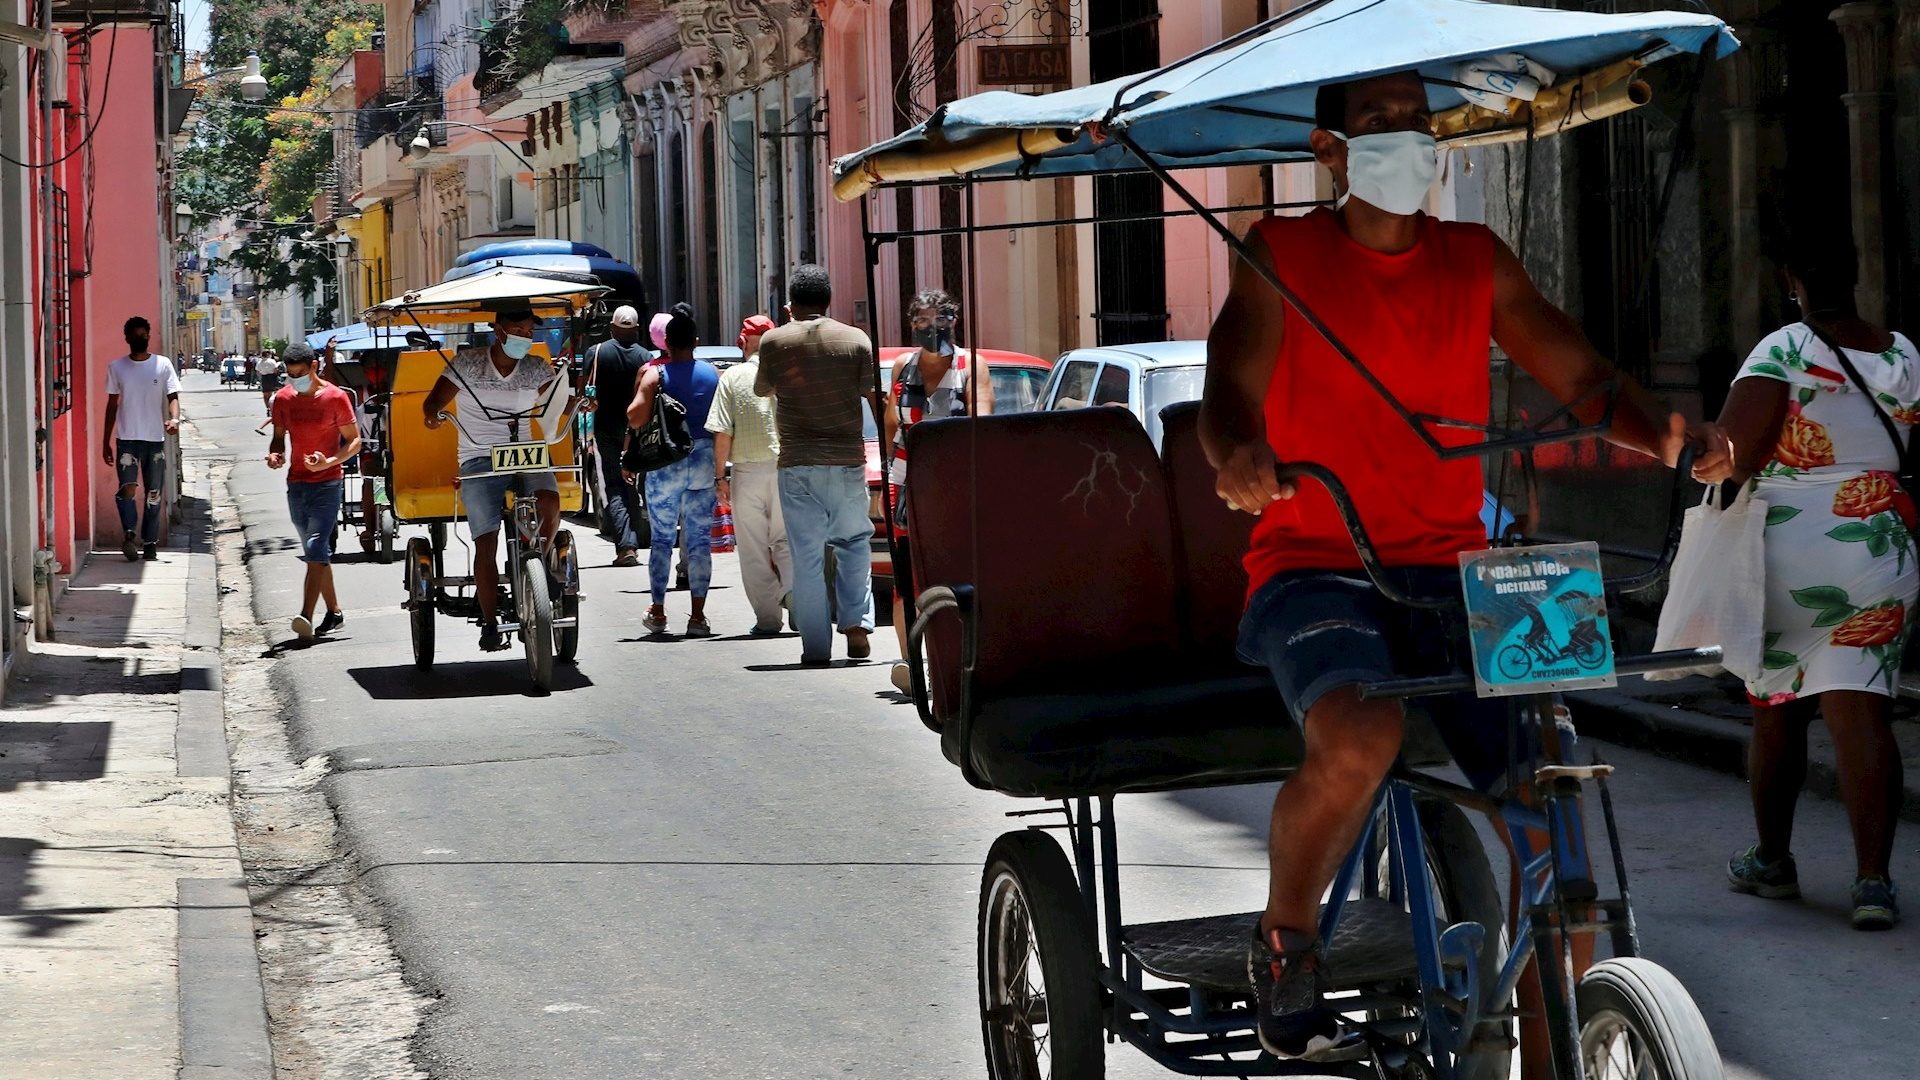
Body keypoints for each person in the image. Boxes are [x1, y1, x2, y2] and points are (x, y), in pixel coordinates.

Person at [1200, 71, 1730, 1066]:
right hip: (1317, 563)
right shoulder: (1282, 253)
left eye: (1415, 120)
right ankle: (1287, 940)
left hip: (1467, 568)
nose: (1405, 137)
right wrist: (1237, 456)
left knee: (1559, 792)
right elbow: (1228, 385)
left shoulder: (1475, 260)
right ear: (1329, 152)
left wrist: (1667, 438)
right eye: (1376, 123)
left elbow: (1578, 379)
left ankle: (1552, 1052)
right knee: (1361, 734)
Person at [1697, 236, 1913, 931]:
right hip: (1882, 539)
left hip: (1794, 545)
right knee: (1863, 708)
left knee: (1777, 706)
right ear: (1857, 276)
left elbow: (1734, 452)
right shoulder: (1903, 353)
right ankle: (1873, 883)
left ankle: (1772, 861)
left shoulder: (1784, 348)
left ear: (1791, 281)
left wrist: (1704, 455)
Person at [422, 307, 569, 652]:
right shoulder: (467, 362)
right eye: (518, 328)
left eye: (530, 329)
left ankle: (539, 561)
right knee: (485, 542)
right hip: (477, 454)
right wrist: (433, 418)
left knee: (551, 503)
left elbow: (557, 401)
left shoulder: (535, 366)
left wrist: (581, 403)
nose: (525, 335)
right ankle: (489, 622)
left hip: (524, 452)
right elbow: (432, 404)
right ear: (498, 329)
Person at [754, 264, 880, 667]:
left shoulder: (774, 342)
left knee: (806, 556)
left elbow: (762, 389)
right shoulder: (856, 340)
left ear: (790, 304)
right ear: (828, 301)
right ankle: (856, 627)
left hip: (797, 462)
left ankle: (815, 647)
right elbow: (873, 395)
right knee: (854, 543)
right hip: (846, 459)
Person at [881, 288, 993, 692]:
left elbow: (982, 421)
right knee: (906, 579)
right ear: (912, 325)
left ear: (953, 322)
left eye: (940, 320)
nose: (932, 328)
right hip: (904, 486)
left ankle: (958, 661)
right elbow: (891, 425)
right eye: (924, 321)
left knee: (954, 573)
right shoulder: (902, 367)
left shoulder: (970, 365)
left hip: (952, 489)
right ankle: (913, 666)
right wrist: (886, 480)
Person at [628, 304, 721, 637]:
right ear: (695, 341)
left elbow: (635, 417)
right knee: (698, 542)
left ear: (665, 342)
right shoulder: (712, 374)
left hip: (667, 464)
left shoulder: (656, 374)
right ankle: (697, 617)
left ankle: (658, 610)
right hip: (705, 461)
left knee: (663, 540)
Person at [265, 344, 360, 639]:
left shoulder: (335, 397)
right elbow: (278, 438)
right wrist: (275, 456)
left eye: (301, 374)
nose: (295, 380)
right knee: (315, 552)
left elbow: (354, 441)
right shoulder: (282, 399)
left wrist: (329, 462)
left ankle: (305, 617)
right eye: (291, 375)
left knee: (317, 546)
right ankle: (334, 612)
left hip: (329, 483)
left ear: (315, 366)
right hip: (296, 484)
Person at [707, 314, 791, 635]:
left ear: (742, 343)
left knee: (754, 548)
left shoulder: (732, 378)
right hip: (785, 469)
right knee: (786, 541)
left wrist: (720, 477)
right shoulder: (787, 374)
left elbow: (722, 433)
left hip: (747, 473)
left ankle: (769, 619)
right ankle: (795, 596)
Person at [101, 316, 182, 562]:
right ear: (127, 339)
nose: (140, 338)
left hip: (154, 439)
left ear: (148, 335)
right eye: (135, 335)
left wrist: (175, 419)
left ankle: (150, 543)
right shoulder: (117, 367)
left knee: (154, 493)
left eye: (144, 335)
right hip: (126, 439)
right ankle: (129, 534)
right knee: (128, 489)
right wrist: (105, 441)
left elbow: (173, 396)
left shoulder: (163, 364)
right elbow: (112, 406)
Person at [587, 305, 653, 566]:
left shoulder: (597, 352)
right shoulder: (646, 357)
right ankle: (634, 541)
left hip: (605, 431)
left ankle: (626, 547)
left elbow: (586, 391)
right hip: (636, 431)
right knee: (633, 485)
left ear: (612, 328)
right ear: (636, 330)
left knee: (612, 486)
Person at [256, 350, 283, 429]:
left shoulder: (259, 362)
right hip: (272, 377)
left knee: (266, 395)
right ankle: (274, 408)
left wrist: (262, 373)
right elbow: (275, 369)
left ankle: (268, 408)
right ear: (268, 354)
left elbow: (257, 371)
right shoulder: (272, 361)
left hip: (265, 378)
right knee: (275, 393)